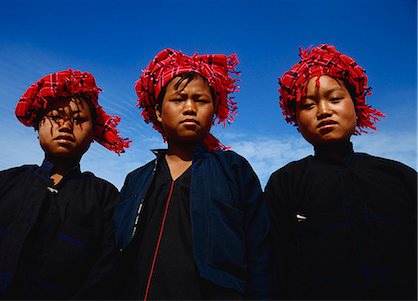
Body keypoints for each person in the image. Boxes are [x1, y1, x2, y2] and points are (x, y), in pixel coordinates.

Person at [113, 48, 274, 300]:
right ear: (158, 111)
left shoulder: (233, 170)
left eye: (200, 100)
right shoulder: (136, 180)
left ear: (214, 109)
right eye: (178, 100)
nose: (189, 107)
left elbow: (260, 252)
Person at [264, 44, 417, 300]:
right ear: (296, 122)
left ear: (357, 107)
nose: (324, 111)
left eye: (335, 99)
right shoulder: (285, 183)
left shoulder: (399, 176)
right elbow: (274, 262)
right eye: (308, 105)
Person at [0, 68, 130, 300]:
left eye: (78, 120)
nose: (65, 126)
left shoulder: (104, 198)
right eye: (56, 117)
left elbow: (106, 274)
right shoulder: (0, 185)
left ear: (92, 135)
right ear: (37, 127)